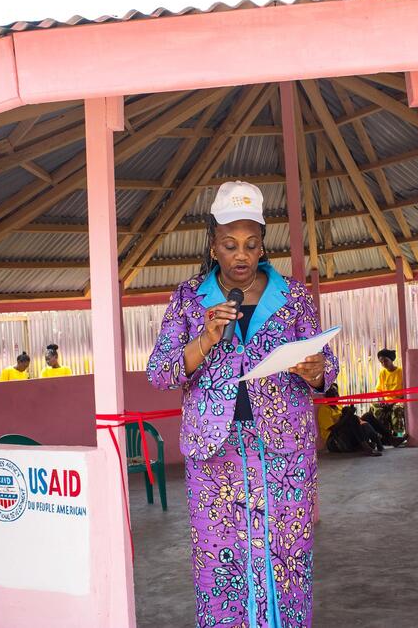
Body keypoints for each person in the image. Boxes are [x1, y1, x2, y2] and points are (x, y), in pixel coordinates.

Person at [147, 180, 338, 628]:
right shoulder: (189, 298)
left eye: (251, 245)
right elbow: (160, 372)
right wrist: (205, 339)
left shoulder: (292, 298)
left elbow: (327, 366)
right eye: (230, 245)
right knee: (220, 563)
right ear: (213, 246)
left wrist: (316, 372)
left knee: (287, 556)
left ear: (261, 246)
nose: (241, 255)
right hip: (215, 452)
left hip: (285, 450)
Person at [366, 348, 407, 447]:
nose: (383, 363)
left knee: (398, 409)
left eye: (385, 360)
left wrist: (392, 402)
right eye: (381, 362)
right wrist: (382, 401)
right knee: (375, 408)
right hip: (386, 401)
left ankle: (398, 435)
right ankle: (384, 436)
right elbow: (379, 390)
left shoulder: (401, 372)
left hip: (398, 400)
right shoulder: (382, 373)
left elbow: (405, 392)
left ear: (391, 360)